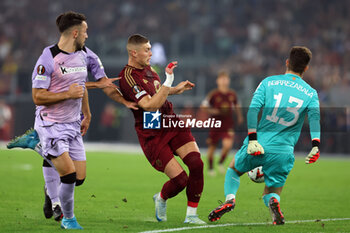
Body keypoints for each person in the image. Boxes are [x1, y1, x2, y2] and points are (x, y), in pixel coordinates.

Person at [11, 11, 136, 229]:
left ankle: (40, 155)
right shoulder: (47, 59)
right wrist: (66, 94)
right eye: (85, 32)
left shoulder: (87, 55)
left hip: (73, 124)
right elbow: (38, 96)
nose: (87, 36)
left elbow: (99, 84)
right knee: (68, 176)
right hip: (50, 123)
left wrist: (100, 110)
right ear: (75, 33)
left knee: (79, 178)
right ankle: (68, 219)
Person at [208, 46, 321, 225]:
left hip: (259, 143)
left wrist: (252, 139)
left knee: (233, 170)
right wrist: (316, 145)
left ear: (287, 63)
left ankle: (230, 199)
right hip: (284, 151)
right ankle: (274, 203)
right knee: (272, 191)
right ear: (306, 68)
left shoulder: (269, 82)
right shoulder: (311, 93)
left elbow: (253, 110)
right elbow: (314, 119)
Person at [118, 34, 206, 224]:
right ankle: (161, 198)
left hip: (171, 121)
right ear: (134, 53)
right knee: (180, 180)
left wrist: (175, 89)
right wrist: (169, 80)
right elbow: (149, 105)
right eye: (147, 50)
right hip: (152, 130)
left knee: (197, 164)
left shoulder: (149, 69)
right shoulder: (128, 77)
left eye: (150, 48)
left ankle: (191, 216)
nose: (151, 53)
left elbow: (157, 93)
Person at [201, 71, 243, 176]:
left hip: (227, 124)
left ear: (228, 81)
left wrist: (240, 116)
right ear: (218, 81)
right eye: (222, 79)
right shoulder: (214, 94)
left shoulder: (232, 94)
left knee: (228, 145)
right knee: (212, 147)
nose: (224, 81)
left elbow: (237, 105)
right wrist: (212, 111)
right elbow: (203, 106)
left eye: (226, 79)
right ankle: (210, 168)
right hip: (215, 124)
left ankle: (220, 163)